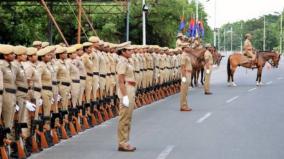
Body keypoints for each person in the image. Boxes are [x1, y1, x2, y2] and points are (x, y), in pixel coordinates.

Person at [116, 42, 137, 152]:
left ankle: (125, 141)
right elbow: (121, 81)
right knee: (124, 117)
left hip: (130, 89)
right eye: (129, 50)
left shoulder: (127, 61)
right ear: (123, 52)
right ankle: (122, 142)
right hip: (126, 90)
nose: (131, 52)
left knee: (128, 117)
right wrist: (124, 96)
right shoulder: (122, 62)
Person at [179, 45, 192, 111]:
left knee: (186, 91)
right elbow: (182, 66)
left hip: (188, 73)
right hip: (185, 74)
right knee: (184, 91)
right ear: (184, 48)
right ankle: (183, 106)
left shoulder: (187, 55)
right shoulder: (183, 55)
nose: (189, 48)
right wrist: (184, 77)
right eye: (187, 47)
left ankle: (185, 105)